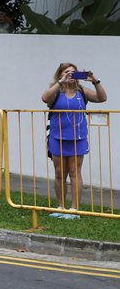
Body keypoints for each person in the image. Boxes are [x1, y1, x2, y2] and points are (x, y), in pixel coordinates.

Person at [41, 62, 107, 217]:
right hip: (58, 138)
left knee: (74, 172)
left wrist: (94, 80)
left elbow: (102, 98)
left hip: (78, 138)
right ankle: (60, 207)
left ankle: (74, 208)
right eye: (66, 72)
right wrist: (60, 83)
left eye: (73, 73)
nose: (70, 75)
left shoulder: (82, 91)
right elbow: (45, 98)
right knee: (59, 173)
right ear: (60, 74)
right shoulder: (56, 91)